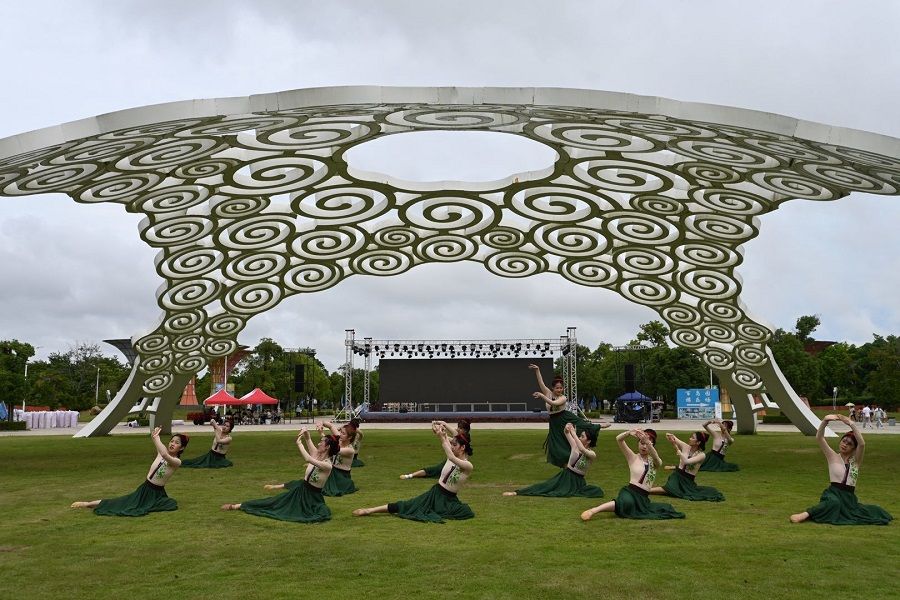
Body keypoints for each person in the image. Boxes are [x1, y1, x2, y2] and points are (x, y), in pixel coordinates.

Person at [354, 423, 474, 523]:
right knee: (408, 505)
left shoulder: (467, 465)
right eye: (451, 445)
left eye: (455, 445)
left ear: (462, 448)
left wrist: (443, 437)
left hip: (450, 500)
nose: (452, 447)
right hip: (435, 493)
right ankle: (369, 510)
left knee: (466, 512)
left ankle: (370, 510)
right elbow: (447, 442)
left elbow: (451, 456)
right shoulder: (452, 455)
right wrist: (439, 431)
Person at [789, 414, 892, 525]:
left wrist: (851, 424)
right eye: (843, 441)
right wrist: (825, 421)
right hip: (833, 493)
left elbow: (862, 444)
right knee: (834, 503)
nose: (845, 444)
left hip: (849, 498)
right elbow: (819, 438)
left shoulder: (856, 461)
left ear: (854, 448)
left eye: (849, 444)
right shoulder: (832, 456)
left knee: (876, 510)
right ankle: (805, 514)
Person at [221, 428, 339, 523]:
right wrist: (305, 432)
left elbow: (308, 458)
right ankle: (238, 506)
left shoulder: (327, 465)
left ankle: (237, 506)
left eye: (321, 442)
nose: (318, 443)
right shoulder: (317, 455)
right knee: (273, 502)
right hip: (300, 491)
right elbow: (308, 440)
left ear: (327, 447)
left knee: (282, 508)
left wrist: (299, 443)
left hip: (312, 499)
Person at [71, 427, 189, 516]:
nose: (172, 444)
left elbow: (164, 455)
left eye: (177, 443)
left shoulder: (176, 462)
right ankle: (87, 504)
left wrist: (157, 437)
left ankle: (89, 504)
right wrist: (155, 435)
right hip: (145, 488)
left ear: (182, 448)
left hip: (157, 493)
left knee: (170, 504)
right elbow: (157, 442)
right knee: (123, 502)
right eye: (172, 441)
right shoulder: (162, 451)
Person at [580, 429, 684, 521]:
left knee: (665, 508)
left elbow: (657, 459)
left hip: (643, 498)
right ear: (638, 443)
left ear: (652, 446)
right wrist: (629, 432)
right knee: (626, 502)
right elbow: (619, 439)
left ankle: (598, 510)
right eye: (641, 443)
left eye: (646, 444)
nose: (644, 446)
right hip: (630, 492)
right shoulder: (632, 457)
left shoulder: (655, 462)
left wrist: (648, 443)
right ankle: (594, 510)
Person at [529, 364, 608, 467]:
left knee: (583, 425)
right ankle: (566, 464)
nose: (559, 390)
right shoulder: (548, 393)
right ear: (552, 388)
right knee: (556, 444)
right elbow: (541, 382)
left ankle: (599, 426)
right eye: (557, 388)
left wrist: (542, 396)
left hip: (565, 417)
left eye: (561, 388)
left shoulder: (563, 398)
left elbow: (554, 403)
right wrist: (537, 370)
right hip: (554, 422)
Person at [503, 422, 603, 498]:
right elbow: (566, 433)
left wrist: (573, 433)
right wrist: (567, 428)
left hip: (578, 482)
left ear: (588, 441)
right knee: (545, 486)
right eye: (580, 436)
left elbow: (582, 449)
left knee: (597, 491)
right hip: (565, 477)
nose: (580, 438)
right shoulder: (574, 446)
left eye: (582, 436)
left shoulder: (592, 454)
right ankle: (516, 492)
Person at [650, 432, 724, 502]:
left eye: (693, 438)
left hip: (687, 480)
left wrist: (677, 449)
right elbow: (673, 437)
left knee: (670, 490)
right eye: (691, 437)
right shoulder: (685, 446)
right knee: (669, 489)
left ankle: (647, 490)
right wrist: (670, 436)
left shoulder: (701, 455)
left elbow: (686, 461)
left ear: (698, 442)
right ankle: (647, 490)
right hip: (677, 476)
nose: (690, 438)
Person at [400, 419, 471, 479]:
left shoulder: (461, 438)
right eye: (458, 427)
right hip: (453, 461)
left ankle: (409, 476)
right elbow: (446, 436)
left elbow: (444, 425)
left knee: (434, 470)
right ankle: (410, 475)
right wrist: (439, 431)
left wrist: (436, 424)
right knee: (434, 470)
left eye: (460, 428)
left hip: (455, 462)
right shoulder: (459, 437)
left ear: (465, 430)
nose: (458, 429)